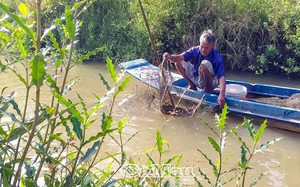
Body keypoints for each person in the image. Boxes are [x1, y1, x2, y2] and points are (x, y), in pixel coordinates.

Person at [163, 29, 226, 107]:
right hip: (198, 78)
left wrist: (222, 95)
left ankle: (208, 89)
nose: (203, 50)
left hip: (212, 82)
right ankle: (192, 85)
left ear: (212, 46)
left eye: (206, 48)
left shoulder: (216, 57)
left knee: (204, 64)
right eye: (202, 46)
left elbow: (221, 77)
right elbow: (179, 57)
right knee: (178, 62)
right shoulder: (195, 50)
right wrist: (169, 57)